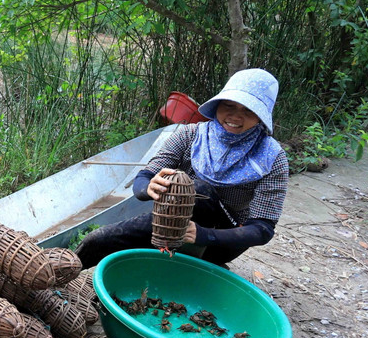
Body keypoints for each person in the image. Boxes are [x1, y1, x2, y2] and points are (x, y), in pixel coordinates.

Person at [75, 68, 289, 269]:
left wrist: (204, 235)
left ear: (261, 116)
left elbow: (262, 229)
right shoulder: (191, 135)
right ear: (218, 105)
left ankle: (194, 261)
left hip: (222, 239)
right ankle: (66, 273)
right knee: (98, 240)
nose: (235, 116)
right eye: (229, 106)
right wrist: (147, 187)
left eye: (248, 110)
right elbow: (144, 177)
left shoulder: (271, 157)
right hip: (172, 223)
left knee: (200, 191)